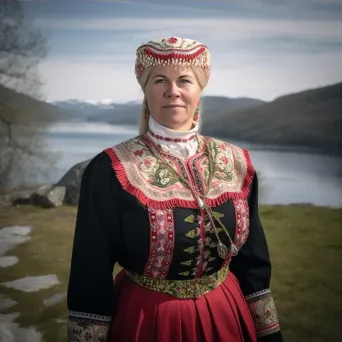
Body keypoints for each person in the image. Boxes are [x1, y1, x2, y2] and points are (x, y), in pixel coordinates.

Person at [67, 36, 283, 342]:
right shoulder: (110, 169)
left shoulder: (236, 162)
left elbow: (252, 262)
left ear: (199, 90)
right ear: (146, 90)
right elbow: (90, 270)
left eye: (185, 80)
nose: (173, 91)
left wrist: (269, 334)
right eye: (159, 80)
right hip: (147, 321)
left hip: (225, 316)